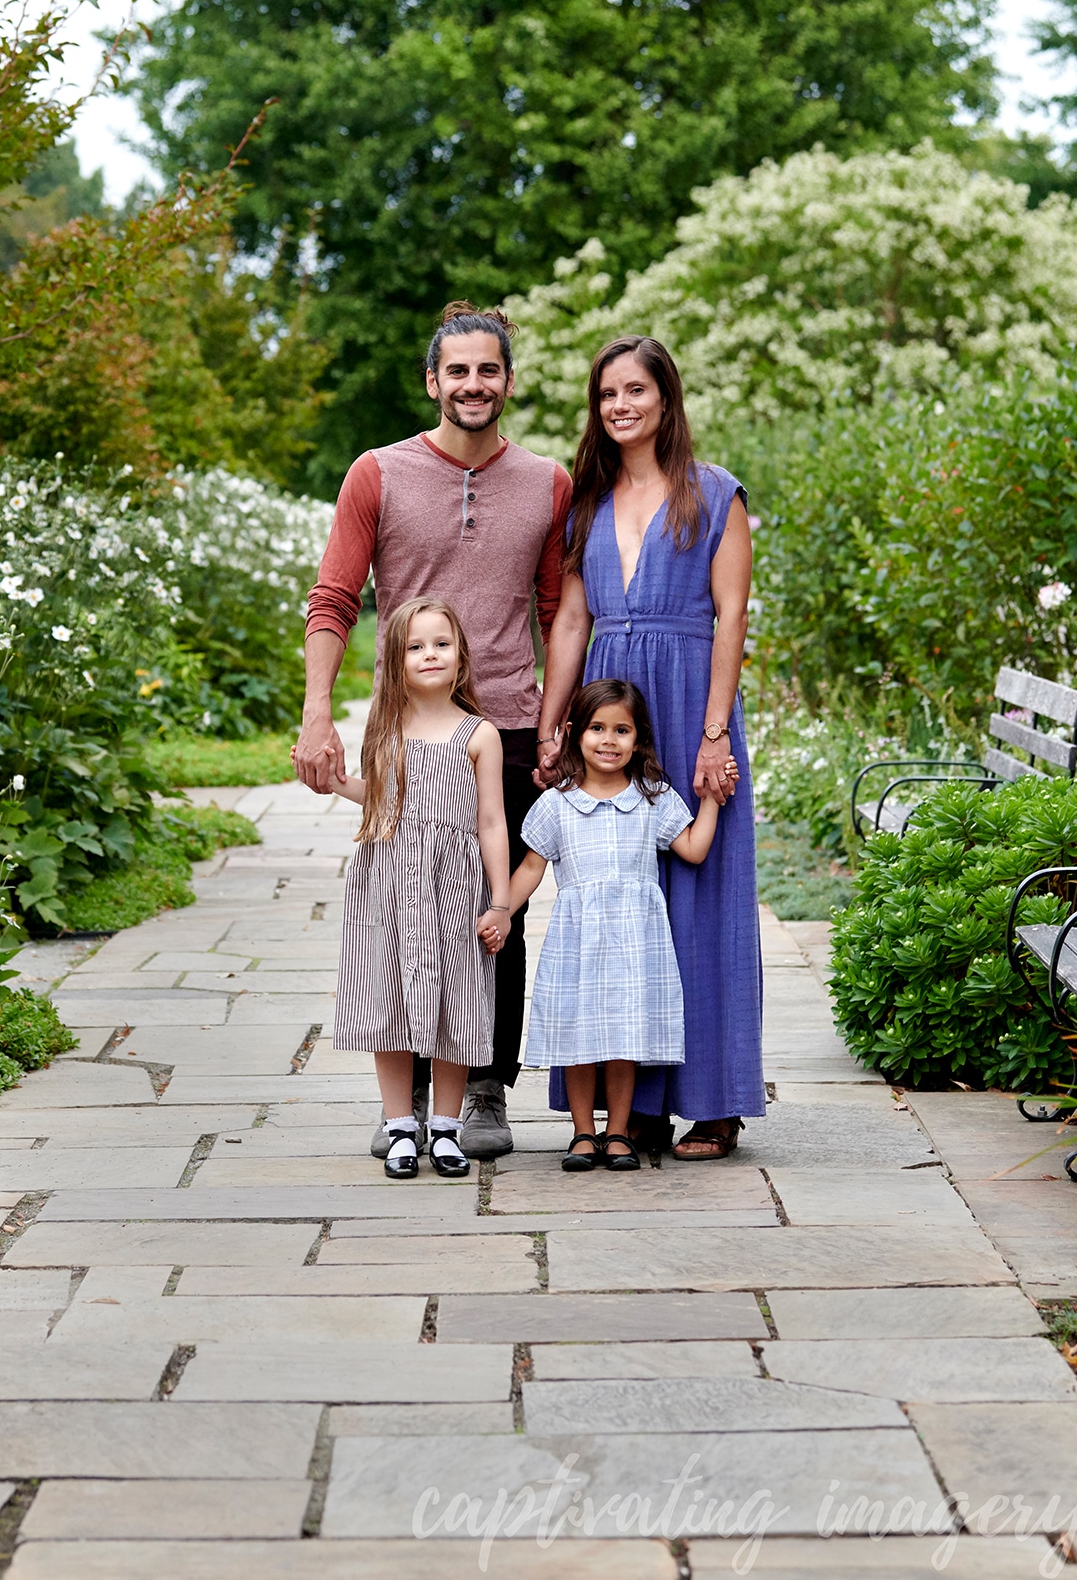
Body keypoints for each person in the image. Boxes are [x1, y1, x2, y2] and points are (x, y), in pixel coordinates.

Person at [296, 302, 572, 1159]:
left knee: (499, 907)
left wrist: (557, 718)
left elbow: (561, 610)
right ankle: (410, 1099)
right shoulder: (376, 473)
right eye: (458, 371)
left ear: (509, 383)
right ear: (433, 381)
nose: (474, 385)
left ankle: (485, 1088)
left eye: (489, 370)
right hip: (403, 728)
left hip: (512, 725)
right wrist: (317, 712)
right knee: (406, 903)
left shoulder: (549, 482)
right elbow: (334, 600)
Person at [536, 335, 764, 1159]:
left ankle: (713, 1102)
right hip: (610, 707)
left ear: (666, 398)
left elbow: (731, 617)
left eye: (636, 390)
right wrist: (555, 719)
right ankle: (631, 1110)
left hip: (689, 700)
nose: (621, 406)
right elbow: (569, 618)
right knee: (614, 900)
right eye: (607, 395)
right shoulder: (588, 501)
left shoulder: (715, 494)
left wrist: (712, 733)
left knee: (699, 899)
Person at [312, 597, 510, 1180]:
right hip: (390, 888)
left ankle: (446, 1129)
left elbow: (492, 822)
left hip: (454, 888)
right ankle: (400, 1125)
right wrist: (335, 784)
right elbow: (381, 801)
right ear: (395, 661)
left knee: (457, 1003)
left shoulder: (480, 735)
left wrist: (500, 901)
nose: (429, 655)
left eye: (441, 644)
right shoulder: (385, 727)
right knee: (391, 1000)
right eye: (415, 646)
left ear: (461, 656)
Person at [509, 679, 732, 1171]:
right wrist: (501, 910)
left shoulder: (652, 798)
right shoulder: (557, 803)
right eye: (597, 728)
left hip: (636, 942)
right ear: (574, 734)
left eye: (622, 730)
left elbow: (693, 848)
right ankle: (582, 1133)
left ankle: (618, 1133)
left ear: (639, 739)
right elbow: (530, 867)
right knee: (579, 1036)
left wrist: (711, 797)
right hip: (578, 941)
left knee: (624, 1037)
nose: (609, 740)